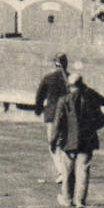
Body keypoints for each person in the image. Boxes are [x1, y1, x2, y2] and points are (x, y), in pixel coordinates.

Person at [51, 65, 104, 208]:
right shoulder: (90, 99)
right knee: (83, 171)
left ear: (70, 86)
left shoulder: (63, 100)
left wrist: (53, 141)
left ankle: (67, 198)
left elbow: (57, 124)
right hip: (87, 141)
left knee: (68, 172)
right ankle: (80, 201)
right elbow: (101, 121)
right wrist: (90, 129)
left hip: (68, 141)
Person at [33, 52, 71, 188]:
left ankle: (62, 171)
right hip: (68, 116)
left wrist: (38, 110)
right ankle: (67, 170)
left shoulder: (48, 78)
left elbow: (39, 96)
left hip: (52, 115)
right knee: (66, 143)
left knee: (53, 144)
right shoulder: (71, 78)